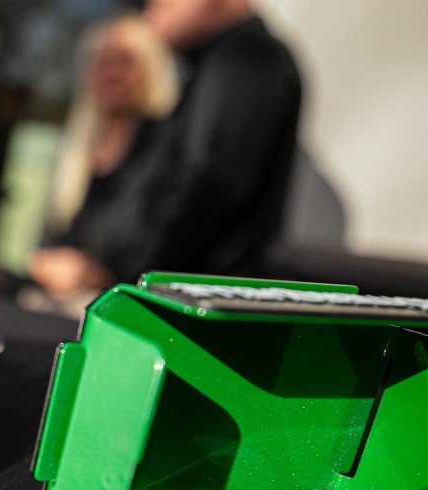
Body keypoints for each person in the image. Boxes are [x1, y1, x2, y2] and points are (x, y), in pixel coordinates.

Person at [33, 0, 302, 302]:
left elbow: (207, 189)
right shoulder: (220, 61)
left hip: (198, 307)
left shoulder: (247, 57)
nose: (153, 9)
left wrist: (119, 282)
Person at [29, 12, 178, 309]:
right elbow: (51, 238)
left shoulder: (165, 146)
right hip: (58, 297)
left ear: (150, 69)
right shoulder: (77, 147)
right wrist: (46, 264)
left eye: (124, 61)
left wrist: (91, 275)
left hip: (120, 302)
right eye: (101, 62)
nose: (110, 73)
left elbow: (158, 249)